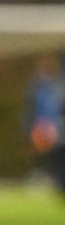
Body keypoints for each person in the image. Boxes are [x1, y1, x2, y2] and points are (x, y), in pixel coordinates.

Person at [24, 54, 65, 195]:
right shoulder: (36, 87)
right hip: (42, 130)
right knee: (49, 158)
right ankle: (53, 181)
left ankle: (59, 183)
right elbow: (30, 110)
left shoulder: (58, 86)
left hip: (57, 130)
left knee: (58, 157)